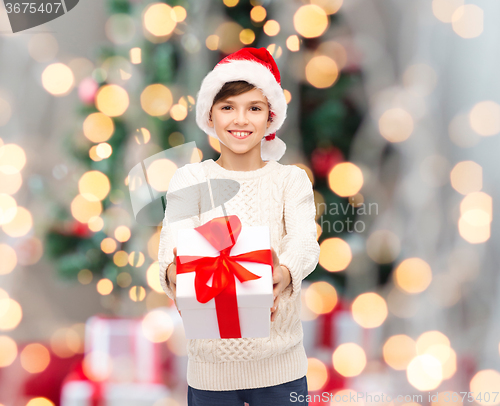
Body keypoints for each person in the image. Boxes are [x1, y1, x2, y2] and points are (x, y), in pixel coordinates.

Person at [158, 47, 320, 406]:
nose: (241, 119)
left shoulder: (290, 180)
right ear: (209, 115)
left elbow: (305, 241)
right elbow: (172, 240)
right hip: (210, 373)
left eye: (255, 108)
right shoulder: (190, 179)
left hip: (281, 369)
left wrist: (285, 273)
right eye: (228, 107)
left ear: (270, 117)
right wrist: (175, 273)